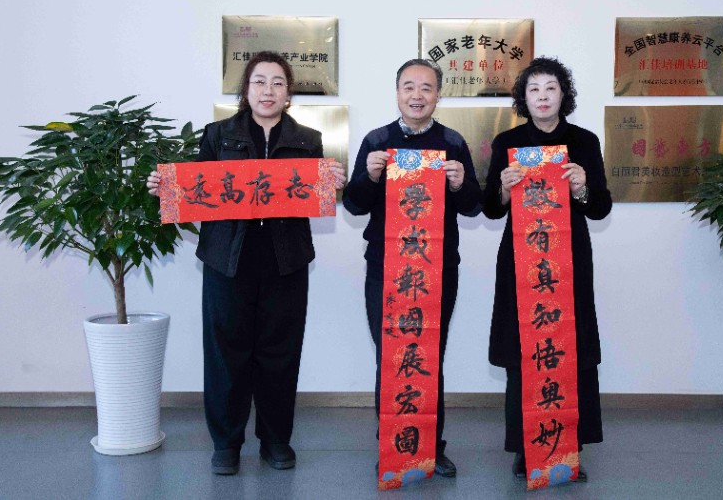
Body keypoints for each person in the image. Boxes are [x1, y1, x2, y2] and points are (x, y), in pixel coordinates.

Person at [146, 51, 346, 475]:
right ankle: (226, 443)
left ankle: (276, 440)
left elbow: (311, 193)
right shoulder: (218, 135)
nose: (268, 90)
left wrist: (332, 182)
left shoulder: (308, 139)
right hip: (227, 258)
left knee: (280, 352)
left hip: (285, 259)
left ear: (288, 93)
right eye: (259, 81)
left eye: (277, 83)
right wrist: (166, 186)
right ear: (246, 90)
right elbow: (198, 187)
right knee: (226, 353)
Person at [342, 59, 483, 478]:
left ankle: (431, 448)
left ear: (438, 95)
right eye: (408, 87)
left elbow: (474, 207)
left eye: (426, 88)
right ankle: (392, 445)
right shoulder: (377, 140)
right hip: (386, 269)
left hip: (437, 270)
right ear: (397, 93)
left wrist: (460, 183)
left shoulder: (452, 142)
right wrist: (368, 177)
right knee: (392, 357)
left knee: (428, 356)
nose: (417, 95)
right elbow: (353, 205)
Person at [482, 56, 612, 481]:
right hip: (521, 261)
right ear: (524, 97)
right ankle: (526, 447)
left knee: (569, 347)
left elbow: (600, 207)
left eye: (550, 88)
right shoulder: (507, 141)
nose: (542, 96)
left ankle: (569, 446)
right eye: (534, 89)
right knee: (525, 348)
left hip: (568, 261)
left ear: (563, 95)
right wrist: (504, 189)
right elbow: (490, 208)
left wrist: (582, 187)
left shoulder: (584, 141)